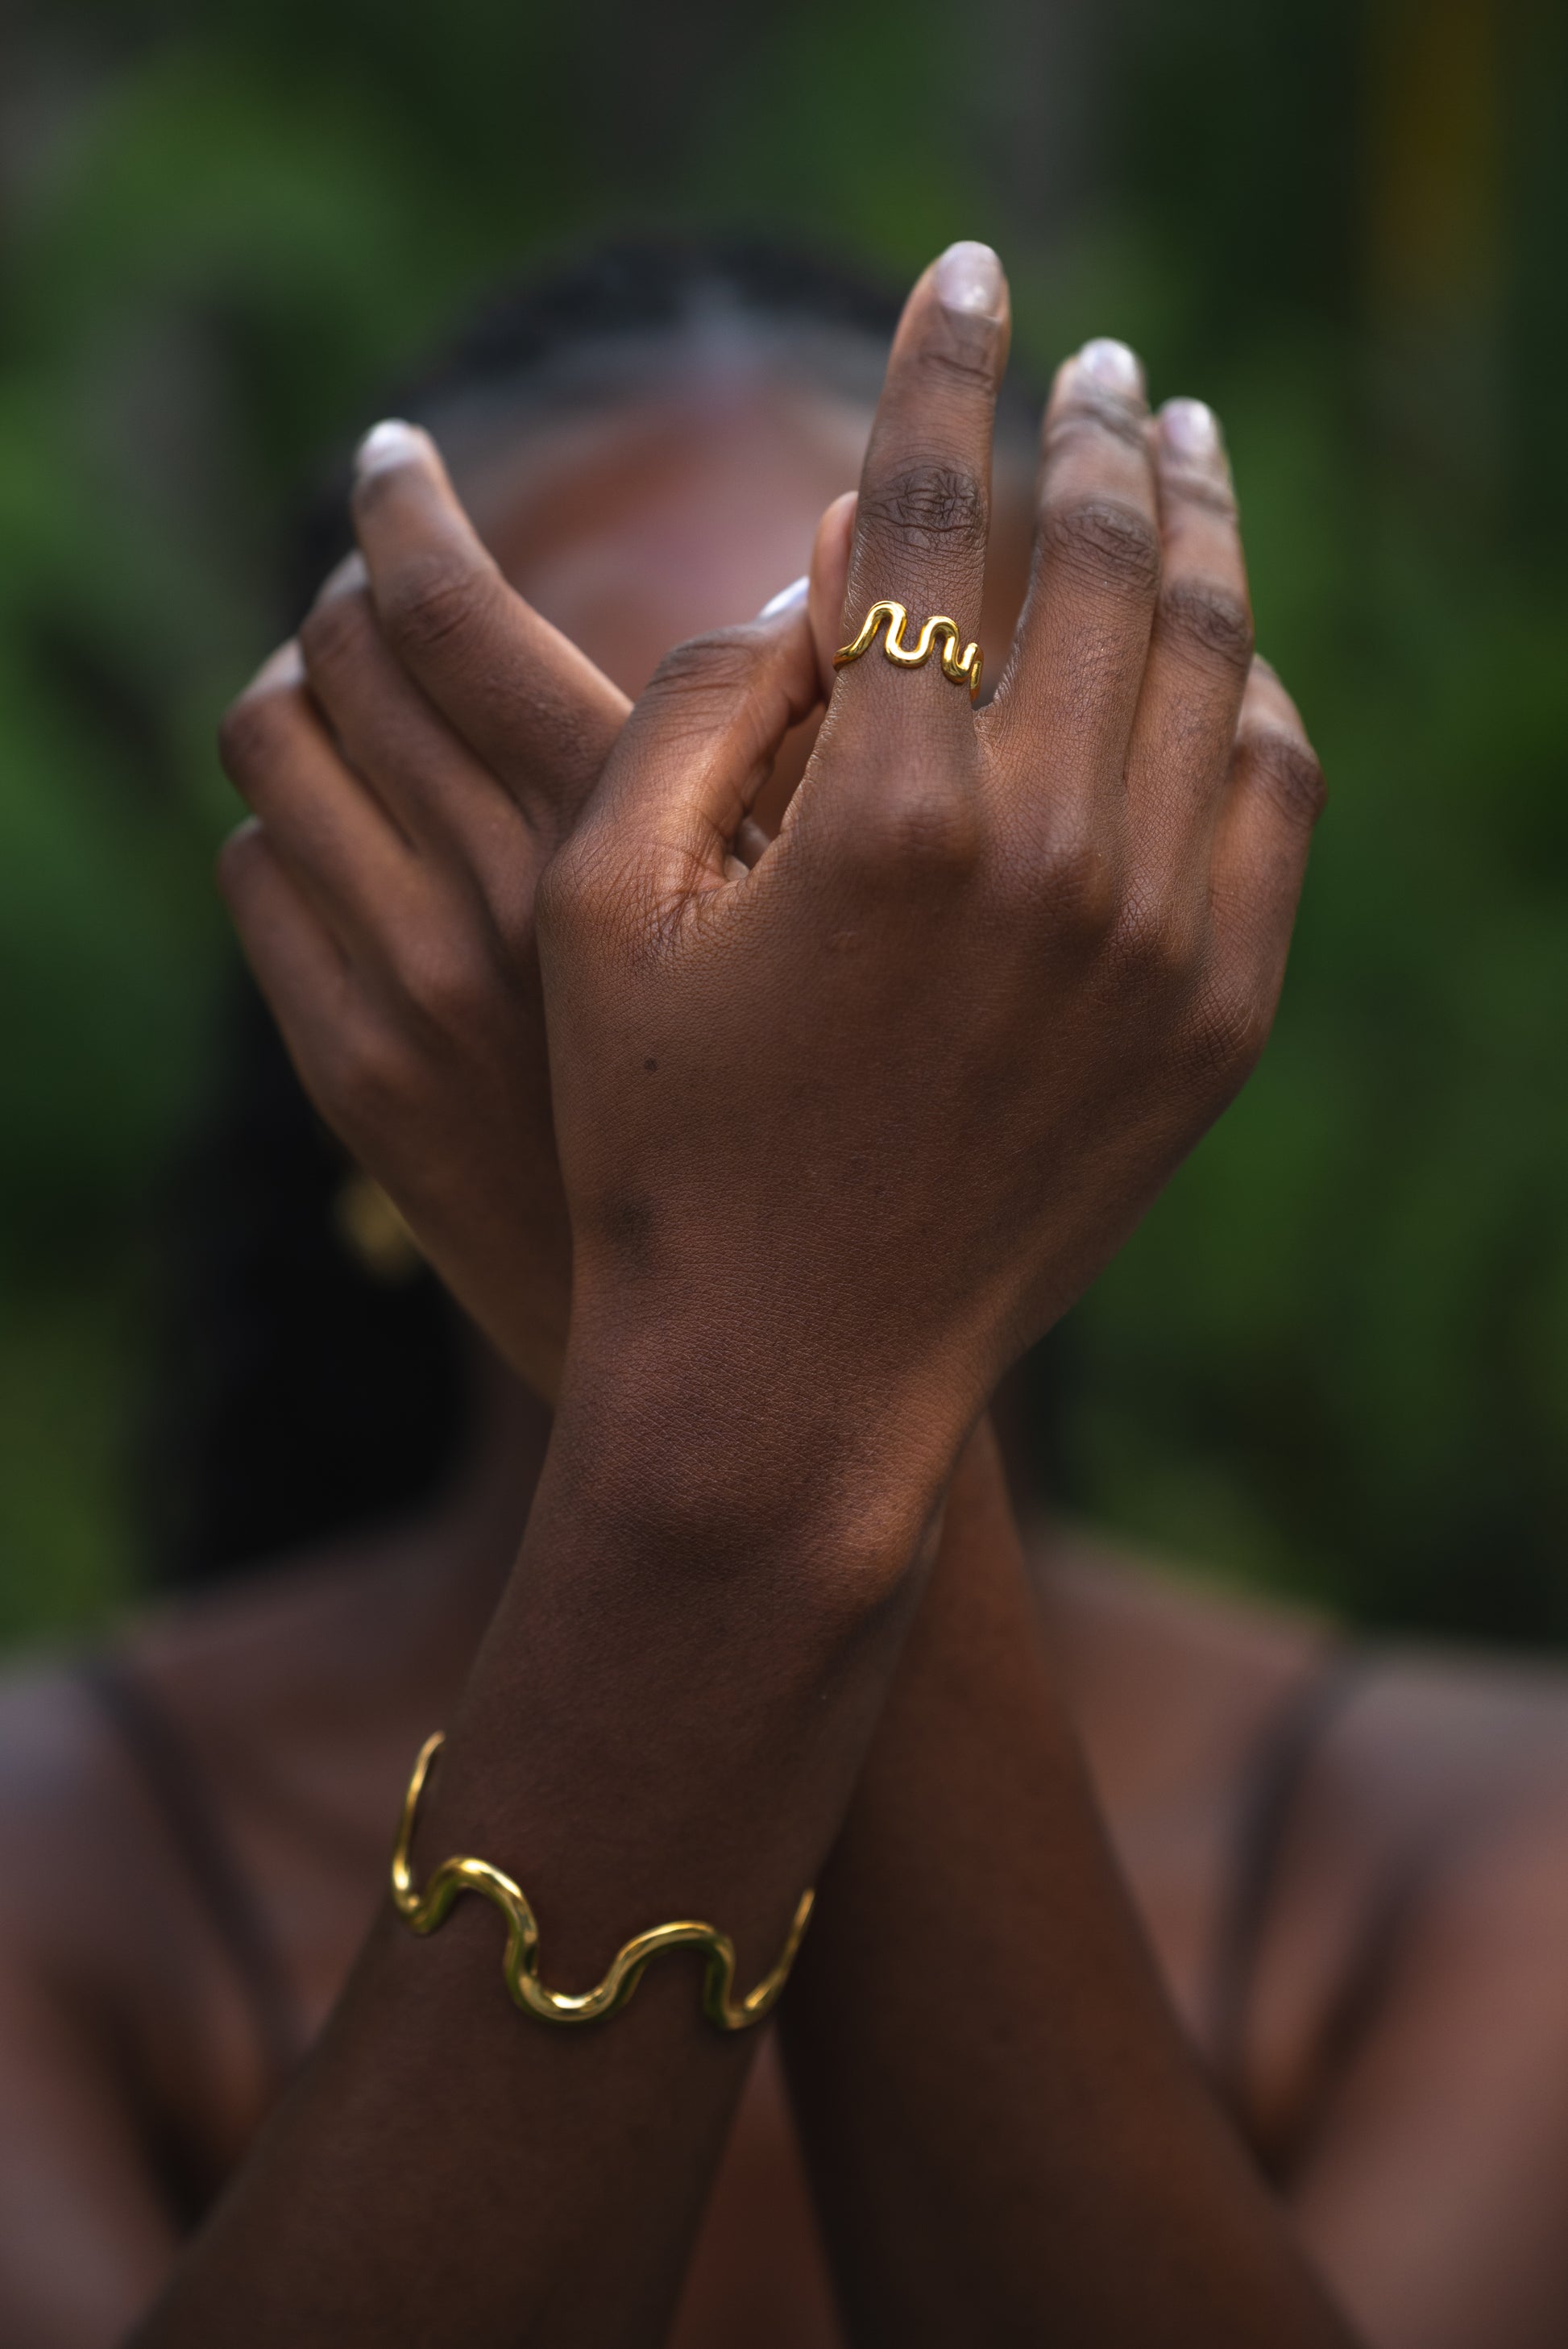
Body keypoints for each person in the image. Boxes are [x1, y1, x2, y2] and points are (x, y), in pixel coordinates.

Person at [0, 234, 1565, 2349]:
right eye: (610, 819)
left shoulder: (1478, 1854)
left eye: (934, 818)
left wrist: (743, 1360)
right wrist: (784, 1369)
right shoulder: (66, 1867)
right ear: (340, 981)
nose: (818, 930)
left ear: (1134, 930)